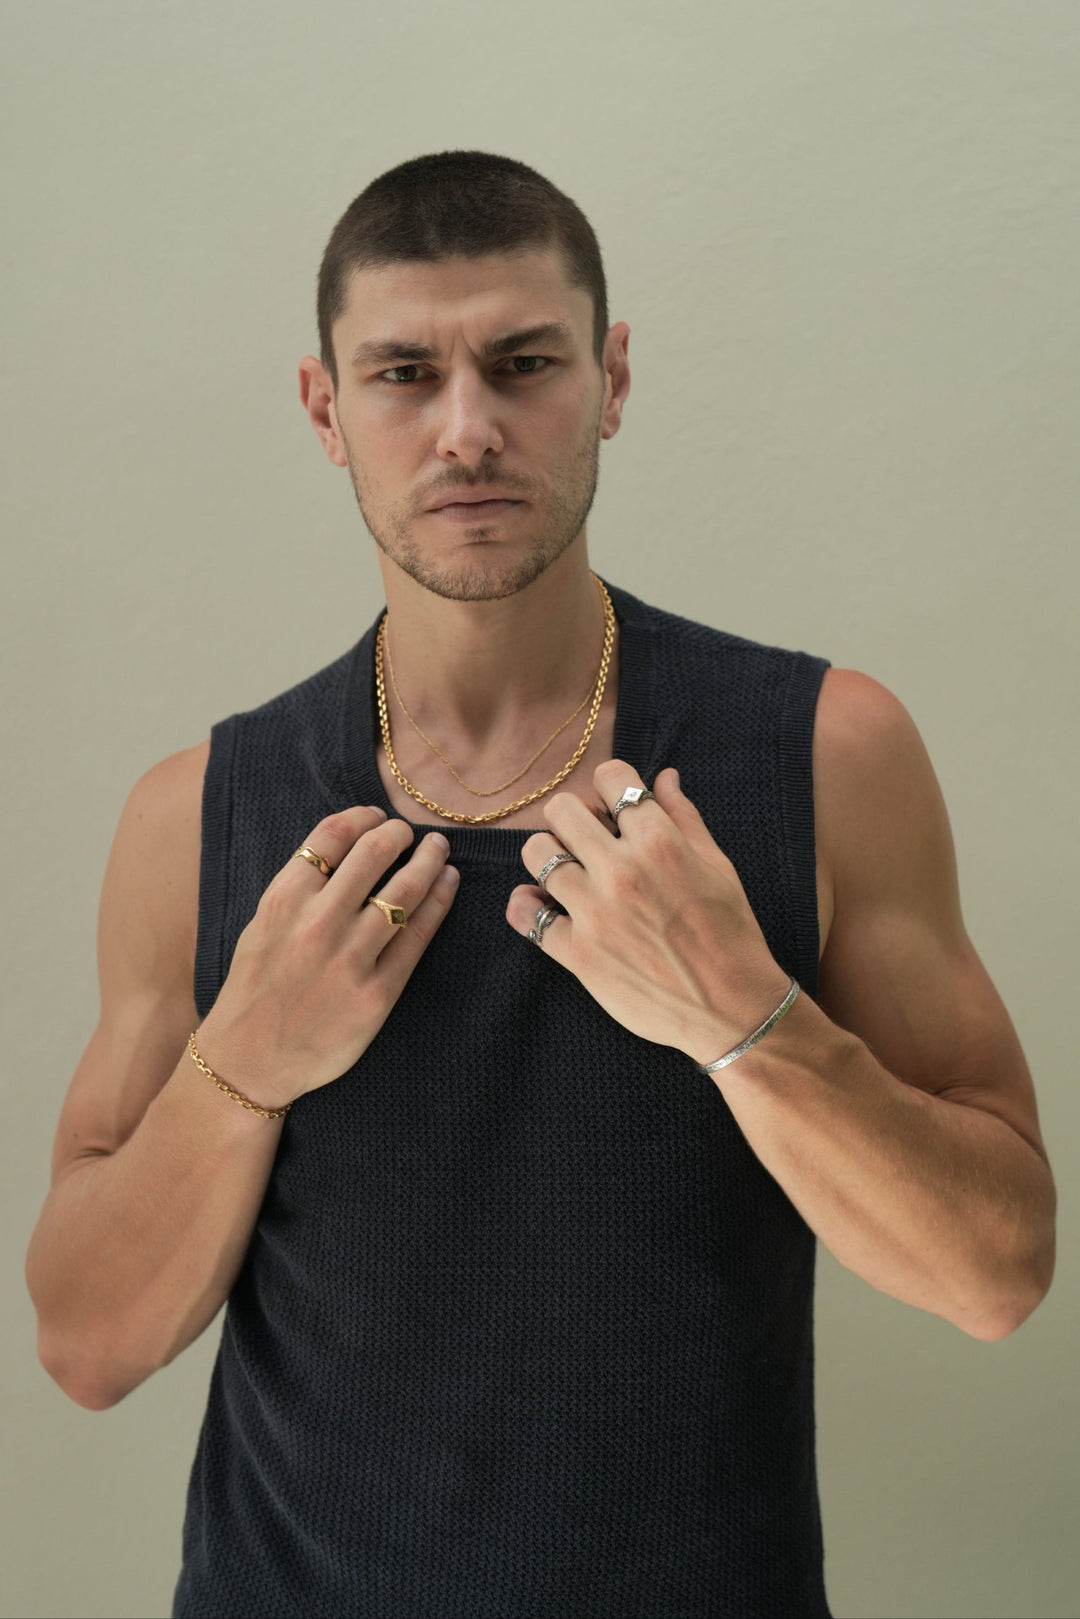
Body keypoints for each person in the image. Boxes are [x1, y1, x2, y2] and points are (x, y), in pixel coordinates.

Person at [26, 150, 1055, 1619]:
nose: (467, 430)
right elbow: (85, 1344)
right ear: (325, 409)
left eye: (523, 364)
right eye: (401, 373)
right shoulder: (198, 812)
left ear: (612, 378)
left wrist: (746, 1018)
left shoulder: (828, 753)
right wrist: (243, 1064)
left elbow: (997, 1271)